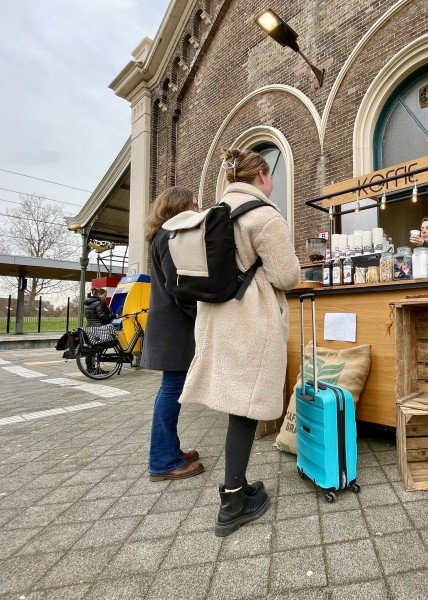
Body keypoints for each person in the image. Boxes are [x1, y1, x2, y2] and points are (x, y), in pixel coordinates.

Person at [179, 148, 301, 537]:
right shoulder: (263, 216)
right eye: (271, 177)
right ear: (261, 176)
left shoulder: (211, 216)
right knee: (246, 409)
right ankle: (232, 501)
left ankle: (238, 483)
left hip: (216, 319)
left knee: (239, 405)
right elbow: (287, 276)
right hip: (250, 320)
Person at [141, 186, 205, 482]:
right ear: (179, 206)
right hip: (175, 327)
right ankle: (163, 461)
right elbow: (177, 287)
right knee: (171, 390)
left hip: (168, 326)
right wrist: (202, 314)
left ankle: (170, 451)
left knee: (171, 389)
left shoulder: (159, 235)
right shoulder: (169, 237)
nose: (197, 208)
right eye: (194, 203)